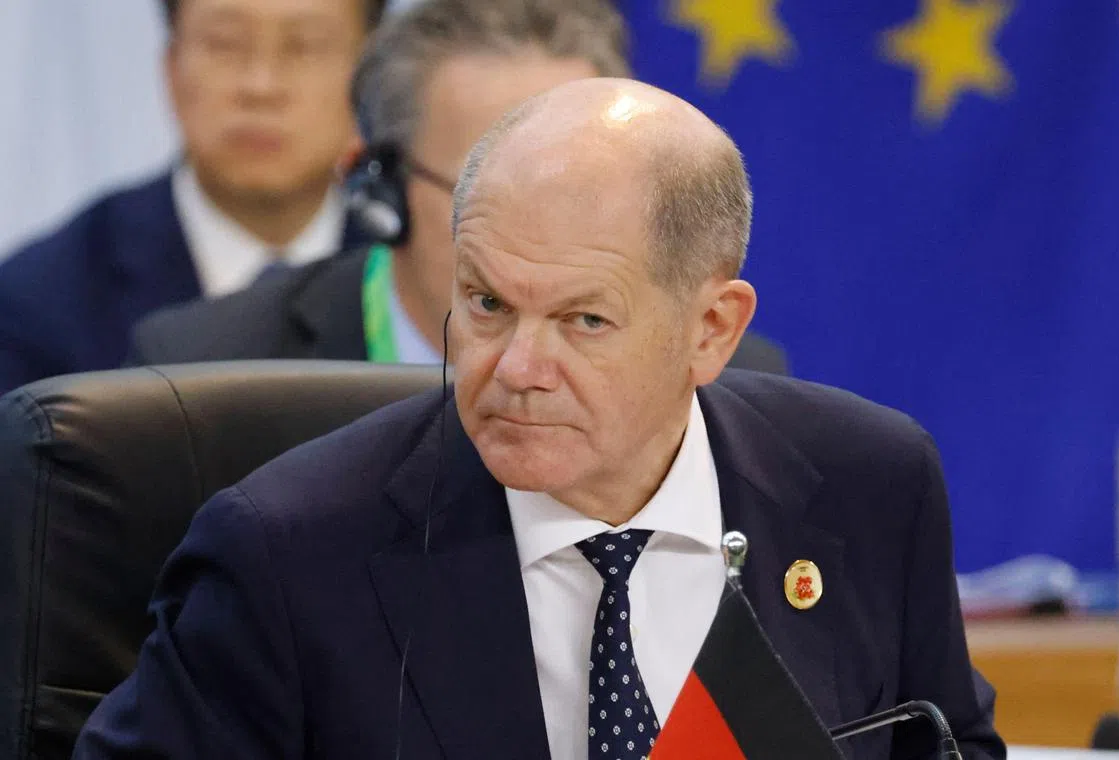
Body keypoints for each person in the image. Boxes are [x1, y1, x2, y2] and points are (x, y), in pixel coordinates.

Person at [72, 77, 1003, 759]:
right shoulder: (284, 555)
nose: (515, 369)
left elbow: (950, 746)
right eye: (485, 305)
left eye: (582, 321)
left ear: (711, 332)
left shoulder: (871, 487)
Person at [123, 0, 788, 373]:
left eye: (584, 191)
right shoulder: (206, 372)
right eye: (484, 189)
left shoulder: (724, 376)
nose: (549, 241)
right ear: (378, 191)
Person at [0, 0, 384, 395]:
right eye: (225, 43)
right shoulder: (37, 304)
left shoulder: (420, 275)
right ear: (171, 69)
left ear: (372, 79)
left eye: (305, 46)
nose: (261, 86)